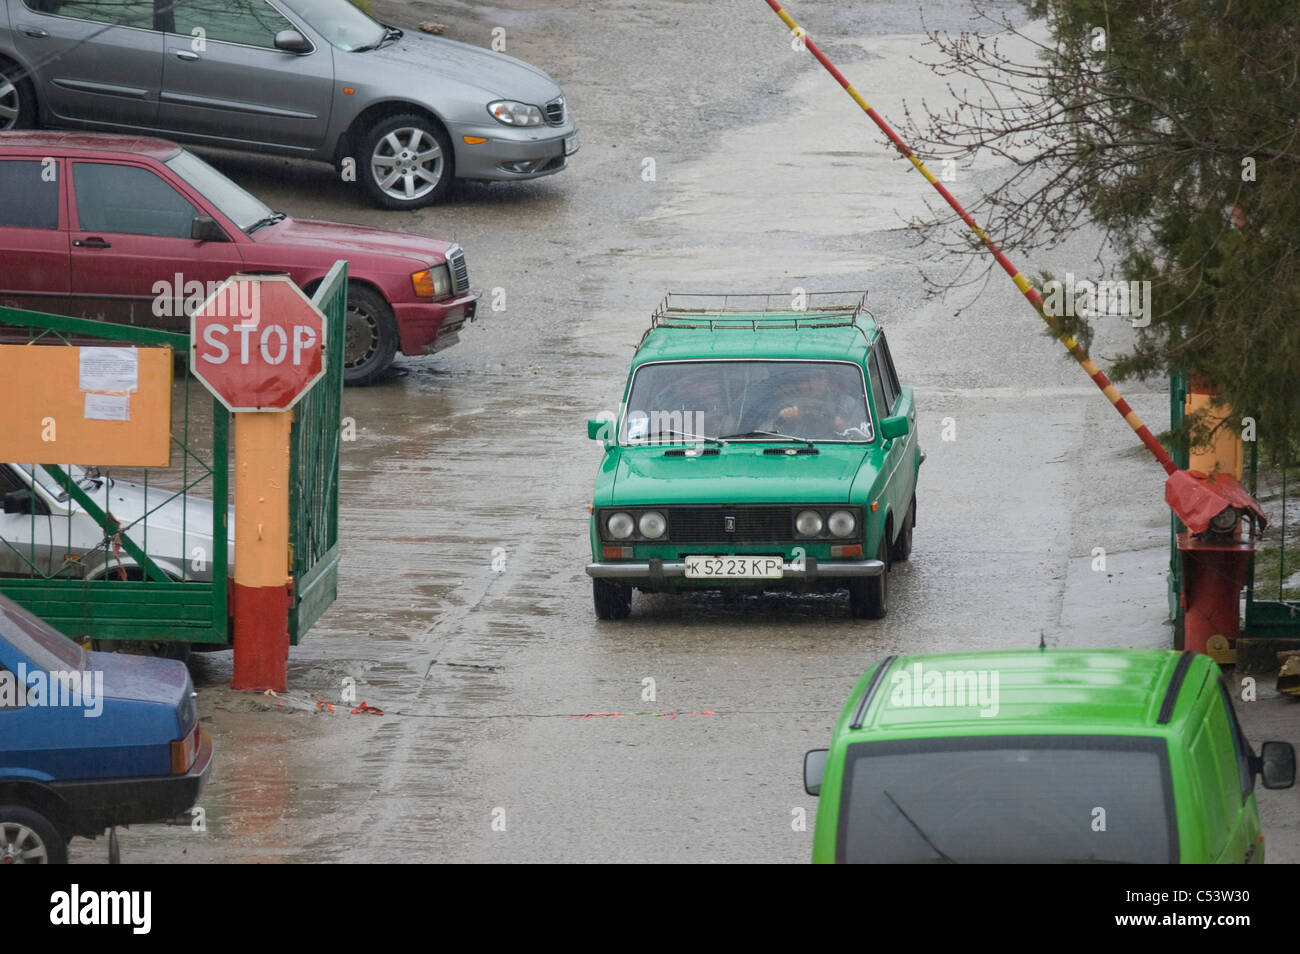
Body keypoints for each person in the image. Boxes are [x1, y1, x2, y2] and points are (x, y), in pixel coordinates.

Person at [772, 367, 870, 439]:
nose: (816, 382)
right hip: (792, 443)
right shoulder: (789, 400)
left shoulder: (843, 401)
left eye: (821, 377)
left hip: (832, 445)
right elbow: (773, 428)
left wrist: (829, 417)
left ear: (827, 380)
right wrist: (784, 415)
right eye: (812, 378)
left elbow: (847, 428)